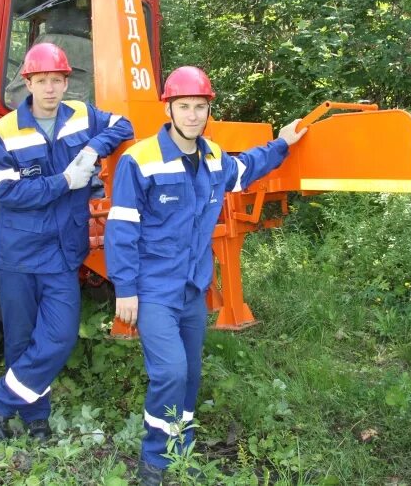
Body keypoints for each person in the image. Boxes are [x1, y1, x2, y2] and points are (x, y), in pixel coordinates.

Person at [104, 66, 307, 484]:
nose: (193, 115)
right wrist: (125, 288)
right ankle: (154, 461)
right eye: (185, 107)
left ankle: (180, 448)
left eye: (200, 107)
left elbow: (247, 167)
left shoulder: (213, 157)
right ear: (170, 108)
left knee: (192, 374)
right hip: (153, 287)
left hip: (194, 287)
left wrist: (282, 144)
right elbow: (121, 229)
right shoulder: (139, 160)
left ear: (207, 109)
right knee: (171, 372)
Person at [0, 43, 133, 442]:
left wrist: (93, 148)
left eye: (57, 80)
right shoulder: (3, 132)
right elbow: (9, 194)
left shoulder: (83, 116)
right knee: (21, 339)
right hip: (19, 253)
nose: (50, 88)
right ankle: (36, 419)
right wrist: (64, 182)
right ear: (28, 82)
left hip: (64, 252)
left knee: (60, 336)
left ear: (67, 82)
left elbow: (124, 125)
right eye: (41, 80)